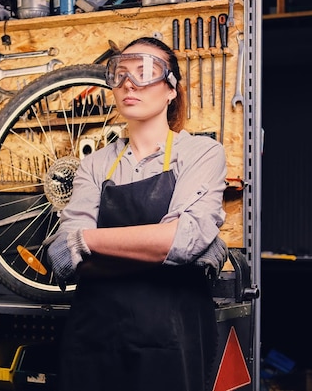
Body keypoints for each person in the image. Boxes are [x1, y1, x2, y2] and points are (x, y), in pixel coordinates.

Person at [46, 36, 229, 391]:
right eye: (121, 73)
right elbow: (66, 259)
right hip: (95, 341)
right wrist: (173, 255)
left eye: (146, 72)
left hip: (173, 340)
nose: (130, 82)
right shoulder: (94, 165)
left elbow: (181, 240)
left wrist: (87, 240)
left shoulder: (201, 153)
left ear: (171, 89)